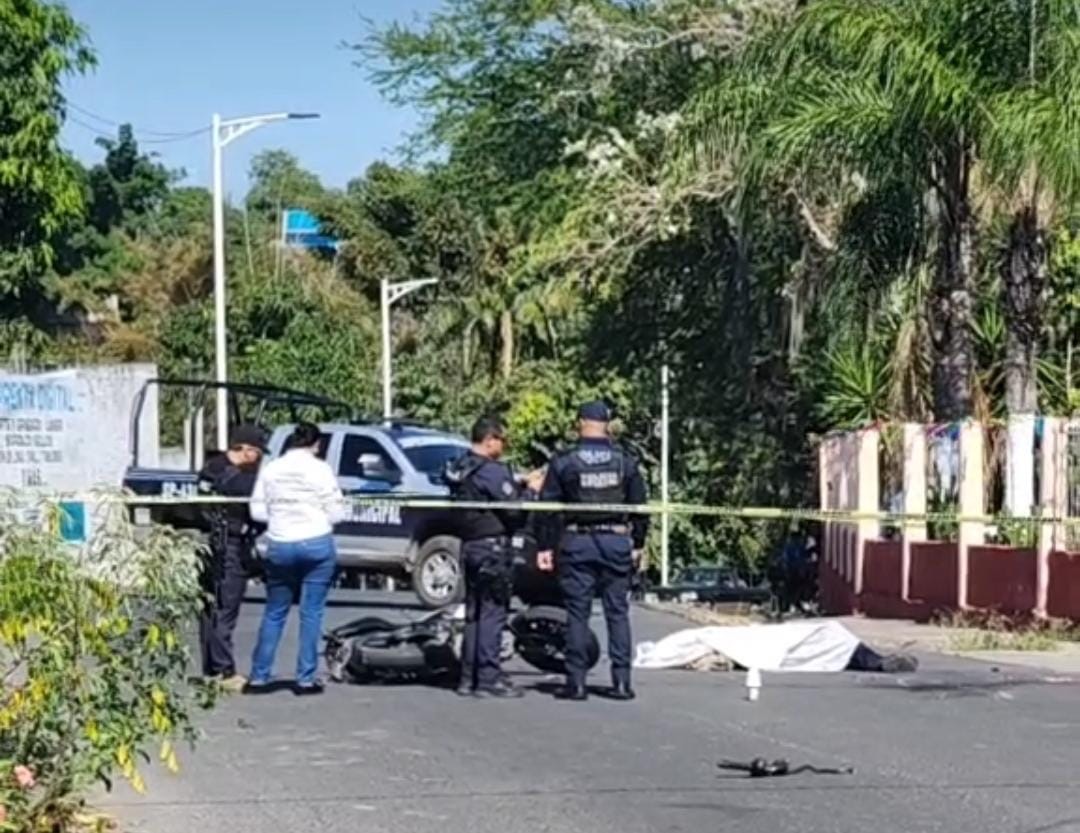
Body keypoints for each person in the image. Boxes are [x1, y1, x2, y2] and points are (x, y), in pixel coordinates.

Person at [537, 401, 648, 701]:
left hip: (577, 542)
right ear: (607, 425)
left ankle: (576, 683)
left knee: (577, 614)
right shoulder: (625, 461)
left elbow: (547, 508)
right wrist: (638, 544)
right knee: (618, 613)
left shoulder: (565, 461)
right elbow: (640, 507)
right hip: (615, 541)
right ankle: (622, 682)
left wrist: (545, 546)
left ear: (580, 423)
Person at [246, 422, 348, 695]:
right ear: (316, 445)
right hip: (316, 544)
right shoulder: (321, 469)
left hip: (279, 543)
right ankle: (305, 678)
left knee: (275, 611)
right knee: (311, 612)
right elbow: (337, 513)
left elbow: (257, 511)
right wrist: (316, 519)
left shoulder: (272, 468)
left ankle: (258, 676)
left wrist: (281, 518)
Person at [445, 415, 543, 699]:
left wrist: (517, 480)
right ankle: (488, 677)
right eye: (503, 440)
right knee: (492, 614)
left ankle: (468, 677)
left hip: (470, 546)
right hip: (492, 549)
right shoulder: (491, 471)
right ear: (490, 441)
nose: (505, 445)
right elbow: (513, 509)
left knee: (474, 614)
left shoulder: (461, 465)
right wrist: (528, 490)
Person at [197, 423, 267, 691]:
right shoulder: (242, 480)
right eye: (257, 452)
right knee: (225, 609)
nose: (259, 458)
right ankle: (225, 672)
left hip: (208, 545)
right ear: (247, 450)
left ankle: (211, 669)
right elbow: (257, 514)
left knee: (209, 609)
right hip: (231, 546)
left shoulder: (209, 469)